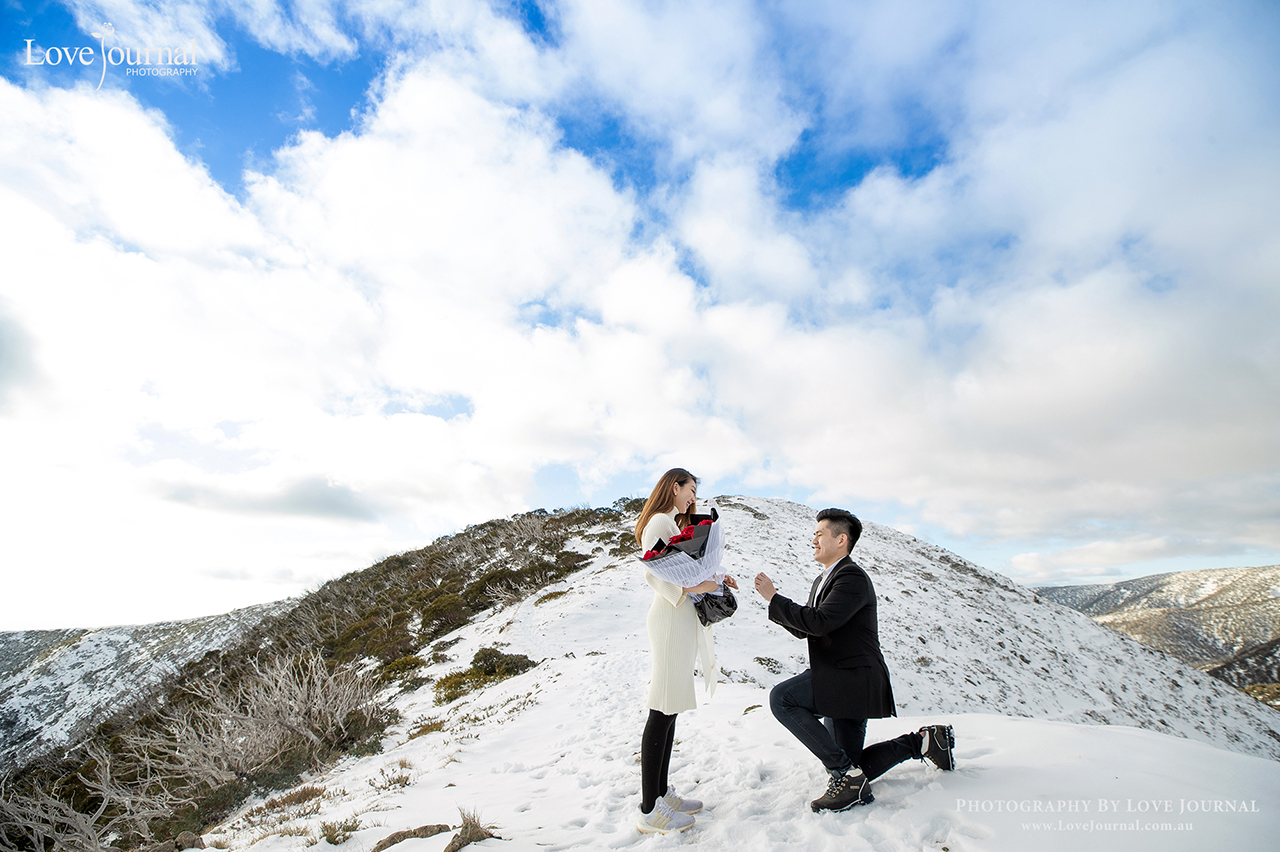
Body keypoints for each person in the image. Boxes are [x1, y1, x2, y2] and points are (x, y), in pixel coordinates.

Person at [753, 508, 955, 812]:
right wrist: (773, 603)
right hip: (840, 677)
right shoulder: (824, 579)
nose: (814, 539)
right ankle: (925, 742)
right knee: (852, 763)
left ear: (841, 539)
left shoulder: (851, 577)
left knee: (782, 698)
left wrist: (775, 599)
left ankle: (848, 778)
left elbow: (820, 622)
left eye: (820, 533)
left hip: (852, 678)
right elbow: (807, 628)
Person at [633, 468, 738, 834]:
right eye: (690, 490)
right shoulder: (660, 522)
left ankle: (661, 795)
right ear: (673, 487)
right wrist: (699, 585)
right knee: (662, 707)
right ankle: (650, 810)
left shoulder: (671, 523)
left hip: (679, 618)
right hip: (670, 617)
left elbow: (687, 566)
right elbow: (658, 573)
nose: (693, 497)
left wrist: (716, 577)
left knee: (671, 706)